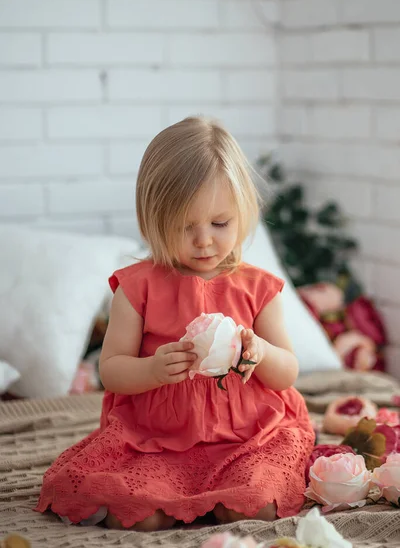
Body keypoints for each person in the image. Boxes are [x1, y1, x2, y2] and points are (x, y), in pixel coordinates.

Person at [36, 116, 315, 531]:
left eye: (220, 223)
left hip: (247, 436)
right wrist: (152, 369)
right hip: (157, 439)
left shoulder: (259, 288)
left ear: (243, 212)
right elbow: (110, 370)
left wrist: (260, 351)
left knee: (255, 506)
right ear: (153, 219)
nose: (204, 240)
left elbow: (287, 372)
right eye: (186, 226)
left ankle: (226, 495)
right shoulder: (137, 287)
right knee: (140, 516)